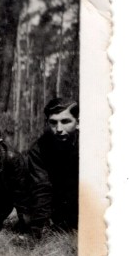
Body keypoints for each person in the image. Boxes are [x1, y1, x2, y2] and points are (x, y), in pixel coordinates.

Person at [26, 98, 79, 235]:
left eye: (65, 121)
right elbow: (41, 189)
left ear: (78, 123)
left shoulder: (93, 145)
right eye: (53, 122)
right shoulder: (38, 149)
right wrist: (37, 230)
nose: (59, 129)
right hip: (56, 205)